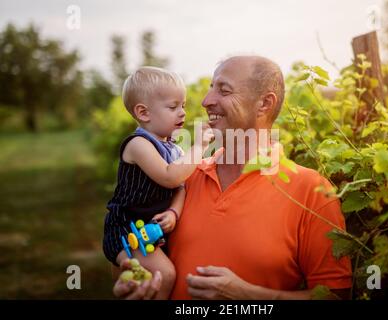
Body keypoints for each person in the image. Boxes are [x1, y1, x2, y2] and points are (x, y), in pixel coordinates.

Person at [113, 56, 352, 300]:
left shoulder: (312, 191)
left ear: (264, 104)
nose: (206, 102)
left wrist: (247, 295)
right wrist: (134, 285)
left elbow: (336, 296)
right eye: (210, 89)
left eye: (223, 91)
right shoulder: (184, 177)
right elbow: (136, 249)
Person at [103, 66, 219, 300]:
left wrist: (174, 213)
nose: (182, 113)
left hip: (150, 231)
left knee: (142, 281)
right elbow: (170, 176)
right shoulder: (138, 145)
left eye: (183, 105)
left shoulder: (174, 148)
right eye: (172, 107)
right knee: (163, 274)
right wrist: (199, 147)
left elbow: (181, 186)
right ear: (144, 113)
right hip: (127, 229)